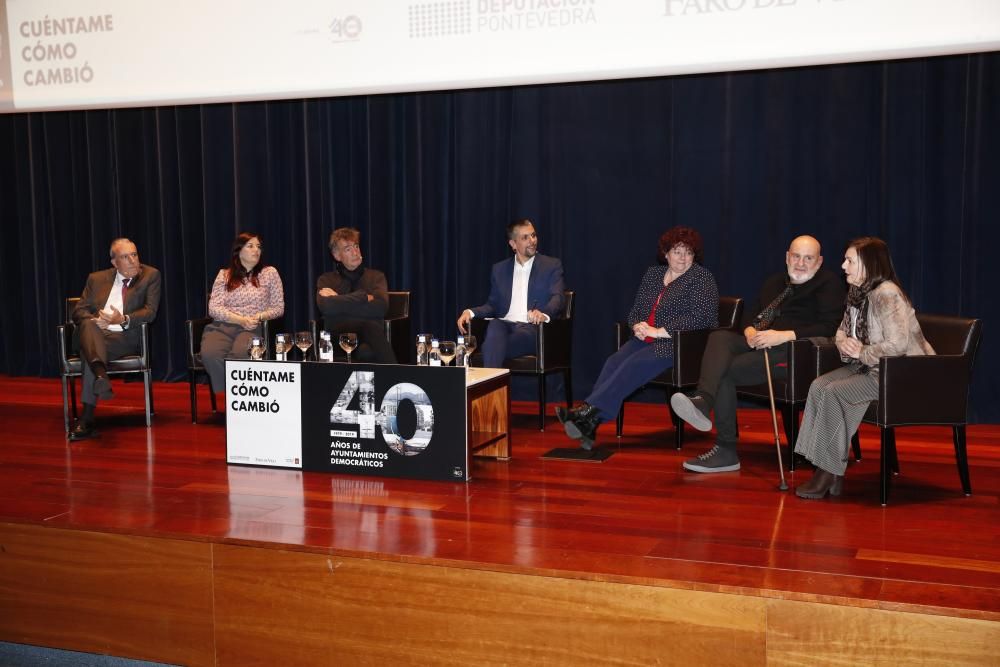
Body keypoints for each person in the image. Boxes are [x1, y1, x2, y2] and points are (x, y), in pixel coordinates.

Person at [670, 235, 845, 473]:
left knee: (726, 371)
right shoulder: (774, 281)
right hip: (762, 342)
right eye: (796, 256)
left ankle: (726, 450)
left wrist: (785, 335)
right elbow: (751, 313)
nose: (801, 263)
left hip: (796, 352)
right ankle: (703, 401)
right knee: (720, 337)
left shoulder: (829, 284)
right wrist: (750, 330)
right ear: (787, 257)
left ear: (819, 261)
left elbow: (830, 326)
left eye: (808, 258)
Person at [793, 237, 934, 499]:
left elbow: (898, 345)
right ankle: (826, 468)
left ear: (868, 264)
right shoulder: (857, 292)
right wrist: (844, 342)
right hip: (872, 367)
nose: (843, 266)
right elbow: (841, 330)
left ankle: (829, 470)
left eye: (850, 261)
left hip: (902, 373)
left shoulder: (887, 294)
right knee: (819, 385)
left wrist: (862, 351)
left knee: (836, 392)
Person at [556, 227, 719, 450]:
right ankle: (590, 422)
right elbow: (636, 311)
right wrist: (638, 326)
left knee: (634, 364)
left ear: (694, 255)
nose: (682, 258)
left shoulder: (701, 277)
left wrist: (660, 331)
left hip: (681, 345)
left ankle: (586, 412)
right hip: (646, 339)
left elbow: (702, 317)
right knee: (613, 361)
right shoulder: (653, 275)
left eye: (688, 252)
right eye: (677, 251)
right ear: (666, 253)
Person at [69, 238, 162, 441]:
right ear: (114, 262)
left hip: (123, 336)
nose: (132, 260)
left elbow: (150, 312)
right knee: (88, 327)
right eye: (125, 257)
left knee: (88, 351)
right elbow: (79, 312)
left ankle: (87, 417)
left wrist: (124, 319)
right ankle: (99, 376)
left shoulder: (150, 276)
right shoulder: (96, 278)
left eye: (134, 255)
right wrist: (95, 321)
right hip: (94, 332)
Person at [456, 219, 565, 367]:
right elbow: (492, 306)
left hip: (533, 329)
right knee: (494, 326)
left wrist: (543, 314)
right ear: (513, 244)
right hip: (505, 325)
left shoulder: (551, 265)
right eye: (525, 237)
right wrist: (470, 312)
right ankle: (493, 383)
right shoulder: (499, 270)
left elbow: (557, 298)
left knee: (492, 345)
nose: (532, 241)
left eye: (533, 235)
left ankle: (488, 385)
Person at [201, 232, 285, 394]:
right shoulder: (223, 275)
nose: (256, 250)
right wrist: (238, 319)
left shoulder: (269, 273)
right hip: (224, 325)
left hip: (252, 327)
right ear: (238, 251)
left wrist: (260, 316)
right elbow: (214, 308)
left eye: (259, 247)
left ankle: (239, 400)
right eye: (250, 246)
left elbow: (278, 307)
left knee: (240, 355)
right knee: (211, 354)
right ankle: (231, 396)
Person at [316, 227, 397, 364]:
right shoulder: (326, 280)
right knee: (368, 326)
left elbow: (380, 307)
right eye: (348, 249)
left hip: (369, 338)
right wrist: (363, 297)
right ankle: (397, 375)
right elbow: (326, 306)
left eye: (356, 246)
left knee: (366, 350)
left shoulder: (376, 277)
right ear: (337, 256)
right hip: (338, 337)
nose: (355, 252)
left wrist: (338, 300)